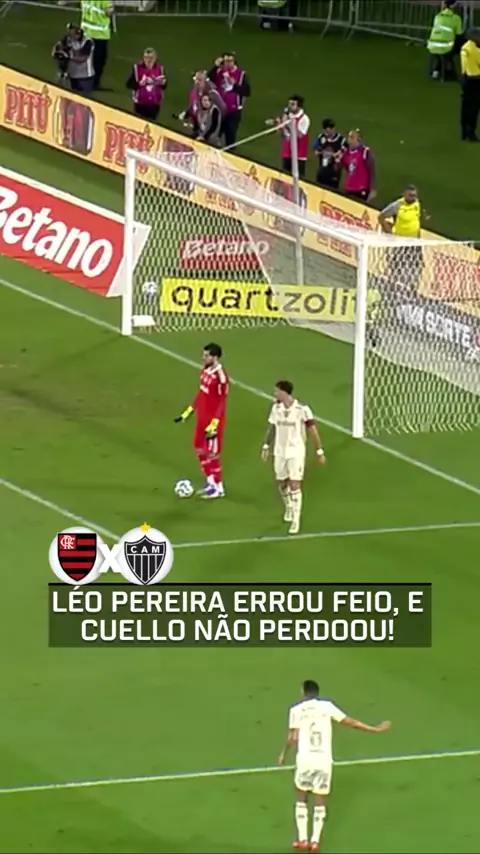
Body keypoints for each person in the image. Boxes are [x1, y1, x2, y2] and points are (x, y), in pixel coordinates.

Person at [278, 680, 391, 852]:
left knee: (301, 797)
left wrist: (284, 754)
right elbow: (350, 722)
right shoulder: (327, 706)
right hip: (323, 760)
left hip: (305, 760)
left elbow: (292, 738)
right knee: (320, 800)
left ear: (303, 692)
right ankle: (315, 841)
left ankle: (302, 839)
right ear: (316, 693)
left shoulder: (296, 710)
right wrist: (374, 729)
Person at [261, 381, 325, 535]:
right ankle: (289, 506)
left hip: (296, 452)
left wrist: (319, 451)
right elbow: (272, 428)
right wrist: (266, 446)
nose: (275, 394)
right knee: (282, 483)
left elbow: (313, 431)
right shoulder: (276, 408)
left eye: (277, 391)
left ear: (285, 392)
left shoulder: (302, 410)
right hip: (280, 451)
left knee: (295, 484)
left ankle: (296, 519)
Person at [174, 343, 229, 499]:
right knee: (199, 449)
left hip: (213, 421)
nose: (203, 358)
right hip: (202, 418)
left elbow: (222, 401)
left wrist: (215, 422)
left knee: (212, 454)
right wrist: (189, 411)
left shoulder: (221, 377)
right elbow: (202, 393)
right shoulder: (205, 370)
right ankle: (211, 482)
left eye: (206, 356)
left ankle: (219, 488)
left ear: (215, 357)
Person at [207, 52, 251, 150]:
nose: (228, 63)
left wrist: (234, 86)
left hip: (233, 111)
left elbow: (247, 92)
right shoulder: (219, 71)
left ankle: (230, 153)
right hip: (219, 109)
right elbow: (209, 78)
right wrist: (215, 66)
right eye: (226, 61)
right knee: (214, 133)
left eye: (230, 61)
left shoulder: (241, 74)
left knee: (230, 134)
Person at [270, 95, 310, 178]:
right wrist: (280, 125)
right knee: (285, 178)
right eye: (289, 104)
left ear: (299, 106)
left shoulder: (304, 119)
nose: (290, 106)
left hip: (298, 156)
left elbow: (299, 135)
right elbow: (284, 136)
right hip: (287, 154)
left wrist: (287, 123)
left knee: (297, 179)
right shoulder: (287, 116)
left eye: (293, 104)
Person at [80, 0, 114, 90]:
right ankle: (93, 83)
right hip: (99, 33)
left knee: (87, 59)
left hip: (86, 31)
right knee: (98, 60)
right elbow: (108, 12)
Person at [427, 0, 464, 81]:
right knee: (458, 47)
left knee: (441, 54)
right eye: (455, 4)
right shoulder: (456, 18)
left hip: (432, 45)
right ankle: (461, 71)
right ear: (451, 6)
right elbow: (459, 34)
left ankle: (436, 71)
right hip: (446, 46)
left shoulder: (437, 16)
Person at [126, 48, 166, 122]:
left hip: (154, 105)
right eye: (146, 57)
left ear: (155, 58)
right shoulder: (137, 68)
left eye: (151, 58)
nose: (148, 60)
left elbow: (164, 86)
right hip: (140, 104)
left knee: (151, 124)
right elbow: (128, 84)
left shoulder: (160, 69)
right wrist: (139, 84)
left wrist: (163, 83)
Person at [52, 25, 95, 94]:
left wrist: (68, 56)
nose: (70, 34)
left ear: (78, 33)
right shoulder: (68, 38)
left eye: (72, 32)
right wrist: (56, 52)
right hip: (72, 75)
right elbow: (58, 45)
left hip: (85, 77)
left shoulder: (87, 42)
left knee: (83, 98)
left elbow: (83, 58)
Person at [337, 129, 376, 203]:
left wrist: (373, 189)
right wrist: (338, 159)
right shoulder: (346, 152)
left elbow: (372, 170)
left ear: (358, 139)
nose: (349, 140)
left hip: (361, 190)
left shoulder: (365, 152)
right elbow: (344, 169)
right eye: (348, 137)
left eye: (352, 137)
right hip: (349, 189)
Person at [312, 118, 346, 190]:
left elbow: (344, 153)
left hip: (334, 171)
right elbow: (316, 151)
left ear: (333, 129)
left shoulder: (341, 140)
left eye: (330, 129)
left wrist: (338, 155)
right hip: (322, 170)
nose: (327, 131)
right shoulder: (321, 137)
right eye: (326, 129)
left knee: (332, 190)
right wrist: (323, 153)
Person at [460, 28, 480, 141]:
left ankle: (464, 131)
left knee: (466, 106)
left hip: (466, 78)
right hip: (475, 79)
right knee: (473, 107)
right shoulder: (474, 50)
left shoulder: (465, 48)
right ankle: (470, 131)